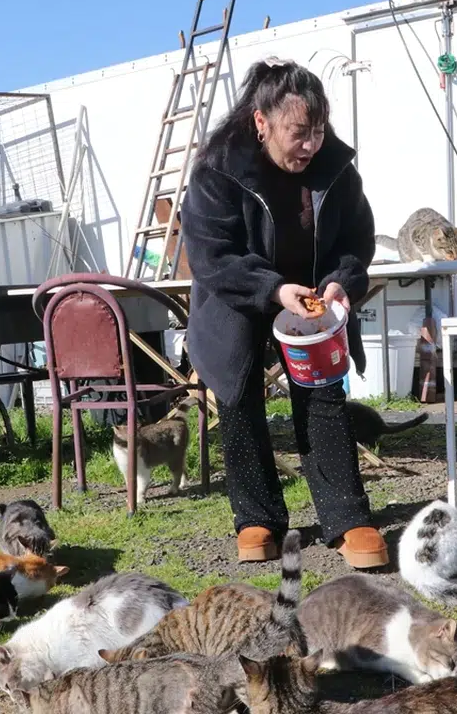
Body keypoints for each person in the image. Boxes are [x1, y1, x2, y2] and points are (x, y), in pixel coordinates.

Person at [179, 58, 387, 569]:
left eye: (318, 131)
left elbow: (356, 240)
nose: (311, 145)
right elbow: (211, 258)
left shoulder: (337, 169)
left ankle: (346, 516)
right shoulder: (217, 170)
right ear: (261, 122)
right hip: (238, 296)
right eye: (299, 133)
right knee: (238, 389)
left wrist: (343, 280)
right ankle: (258, 519)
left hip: (312, 298)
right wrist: (273, 289)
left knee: (322, 392)